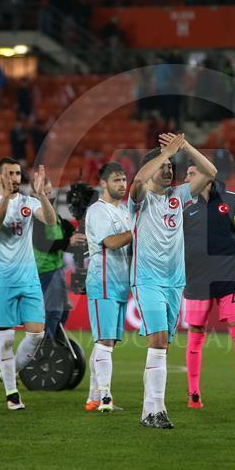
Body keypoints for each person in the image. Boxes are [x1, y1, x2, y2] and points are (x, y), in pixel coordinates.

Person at [130, 133, 217, 429]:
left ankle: (147, 411)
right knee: (157, 341)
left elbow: (210, 172)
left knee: (162, 347)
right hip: (147, 280)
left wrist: (186, 147)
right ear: (152, 167)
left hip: (175, 283)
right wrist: (163, 152)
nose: (169, 169)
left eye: (171, 165)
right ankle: (158, 410)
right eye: (163, 165)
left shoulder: (179, 196)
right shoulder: (140, 200)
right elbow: (138, 183)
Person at [182, 164, 235, 410]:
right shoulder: (184, 204)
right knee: (195, 336)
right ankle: (194, 394)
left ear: (205, 177)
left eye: (191, 174)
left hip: (228, 275)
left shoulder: (230, 200)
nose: (186, 178)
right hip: (196, 279)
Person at [0, 158, 55, 411]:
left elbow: (51, 221)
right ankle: (12, 394)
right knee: (7, 338)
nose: (16, 177)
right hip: (3, 280)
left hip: (28, 278)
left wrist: (42, 195)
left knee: (37, 334)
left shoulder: (28, 202)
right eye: (10, 173)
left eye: (18, 173)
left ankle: (8, 371)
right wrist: (6, 197)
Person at [84, 162, 133, 412]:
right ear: (103, 183)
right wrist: (137, 231)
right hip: (102, 282)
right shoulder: (98, 211)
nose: (122, 184)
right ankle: (105, 397)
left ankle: (93, 398)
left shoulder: (125, 211)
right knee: (104, 340)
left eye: (124, 179)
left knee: (108, 342)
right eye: (116, 180)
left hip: (120, 283)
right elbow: (112, 242)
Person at [31, 176, 77, 342]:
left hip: (56, 268)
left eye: (50, 192)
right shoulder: (36, 216)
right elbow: (42, 244)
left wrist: (72, 235)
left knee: (63, 310)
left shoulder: (54, 216)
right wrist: (68, 240)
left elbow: (63, 242)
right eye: (45, 193)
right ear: (35, 194)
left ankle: (55, 342)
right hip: (45, 269)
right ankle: (47, 347)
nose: (49, 196)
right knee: (53, 311)